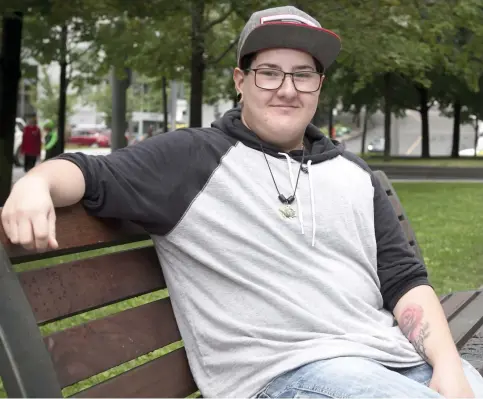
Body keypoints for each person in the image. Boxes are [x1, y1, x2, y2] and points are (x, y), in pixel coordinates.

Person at [2, 6, 483, 399]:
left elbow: (404, 281)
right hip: (285, 375)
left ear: (319, 85)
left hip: (390, 361)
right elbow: (91, 173)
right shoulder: (193, 159)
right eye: (269, 73)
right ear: (240, 79)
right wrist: (35, 183)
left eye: (303, 75)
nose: (287, 89)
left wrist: (447, 367)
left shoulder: (354, 174)